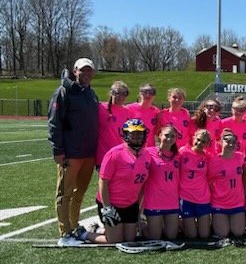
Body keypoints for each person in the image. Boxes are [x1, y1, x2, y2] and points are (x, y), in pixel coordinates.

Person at [60, 118, 150, 246]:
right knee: (115, 240)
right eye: (133, 134)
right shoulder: (114, 154)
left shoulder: (146, 156)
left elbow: (142, 185)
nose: (136, 137)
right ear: (125, 135)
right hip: (112, 204)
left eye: (139, 134)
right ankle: (83, 234)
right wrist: (107, 208)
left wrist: (139, 210)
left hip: (130, 204)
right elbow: (103, 182)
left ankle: (98, 229)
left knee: (130, 239)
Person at [48, 57, 99, 239]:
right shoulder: (63, 92)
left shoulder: (91, 93)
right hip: (70, 153)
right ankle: (65, 230)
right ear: (75, 71)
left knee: (79, 193)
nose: (86, 73)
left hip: (88, 153)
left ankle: (75, 224)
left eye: (89, 70)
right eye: (82, 70)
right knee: (65, 193)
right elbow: (54, 123)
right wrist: (58, 149)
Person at [141, 125, 181, 241]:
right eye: (166, 135)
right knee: (155, 237)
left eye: (173, 136)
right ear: (159, 135)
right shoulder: (148, 152)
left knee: (171, 236)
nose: (169, 138)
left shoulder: (179, 155)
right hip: (154, 201)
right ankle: (141, 225)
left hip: (172, 201)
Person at [208, 129, 246, 240]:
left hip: (237, 202)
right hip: (220, 202)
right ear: (220, 142)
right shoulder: (214, 160)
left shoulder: (240, 157)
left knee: (238, 233)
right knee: (223, 234)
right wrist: (215, 196)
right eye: (227, 141)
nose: (231, 144)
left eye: (233, 142)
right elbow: (209, 181)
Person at [178, 129, 213, 239]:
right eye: (198, 140)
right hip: (186, 196)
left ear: (207, 144)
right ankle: (179, 222)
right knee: (192, 236)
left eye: (203, 142)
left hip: (202, 197)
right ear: (193, 138)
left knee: (204, 235)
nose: (199, 143)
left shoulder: (208, 157)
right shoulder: (183, 152)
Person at [95, 81, 131, 168]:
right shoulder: (100, 108)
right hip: (104, 156)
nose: (121, 97)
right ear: (111, 93)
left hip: (122, 156)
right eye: (117, 93)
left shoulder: (128, 112)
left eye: (124, 93)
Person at [126, 83, 159, 148]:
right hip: (133, 148)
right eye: (145, 92)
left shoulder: (157, 111)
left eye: (151, 92)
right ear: (139, 94)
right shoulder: (129, 108)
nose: (148, 95)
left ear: (154, 96)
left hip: (149, 148)